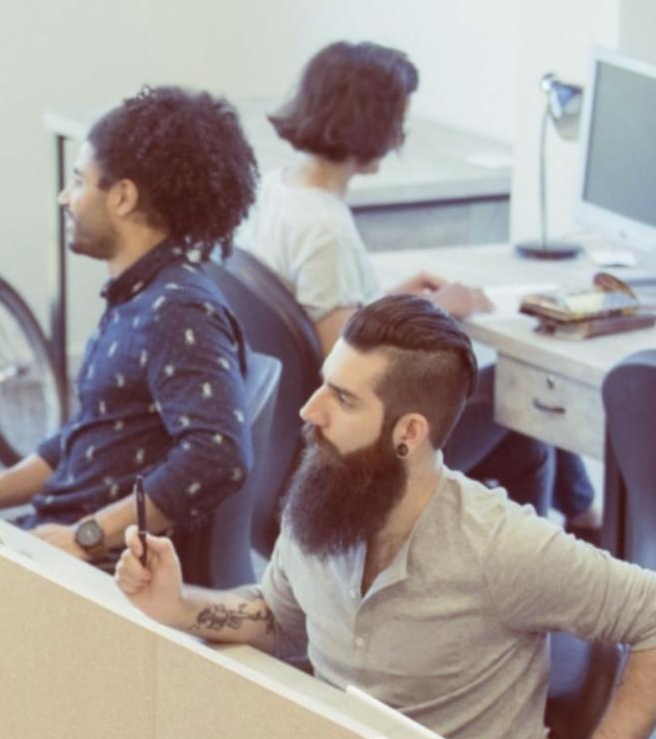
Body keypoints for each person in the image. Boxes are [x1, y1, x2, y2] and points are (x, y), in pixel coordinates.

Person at [115, 295, 656, 739]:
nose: (309, 410)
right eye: (324, 384)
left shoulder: (501, 546)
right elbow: (284, 620)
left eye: (342, 399)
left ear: (408, 432)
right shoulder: (325, 490)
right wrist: (179, 606)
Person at [244, 40, 592, 522]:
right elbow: (349, 364)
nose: (400, 134)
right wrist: (437, 311)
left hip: (279, 442)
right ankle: (575, 529)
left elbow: (318, 318)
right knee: (517, 396)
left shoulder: (275, 191)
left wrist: (384, 302)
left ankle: (582, 514)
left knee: (518, 428)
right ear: (372, 123)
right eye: (397, 121)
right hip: (355, 444)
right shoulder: (326, 231)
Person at [0, 85, 258, 567]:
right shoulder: (137, 294)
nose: (66, 197)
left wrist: (87, 536)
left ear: (122, 197)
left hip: (98, 571)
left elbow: (219, 456)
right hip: (57, 538)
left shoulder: (178, 311)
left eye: (79, 181)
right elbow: (84, 437)